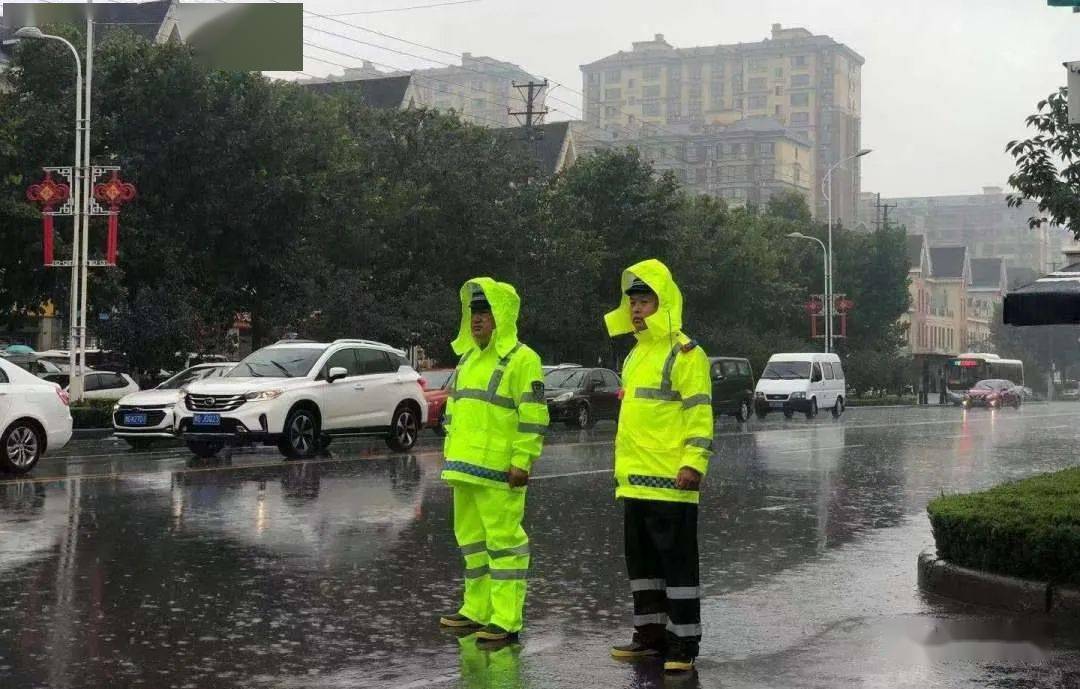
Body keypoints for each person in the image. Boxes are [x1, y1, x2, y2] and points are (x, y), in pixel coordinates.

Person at [605, 259, 713, 673]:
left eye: (644, 301)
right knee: (644, 569)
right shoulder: (635, 355)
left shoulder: (686, 353)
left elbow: (699, 414)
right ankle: (649, 637)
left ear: (662, 303)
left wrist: (693, 463)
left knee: (677, 567)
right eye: (631, 302)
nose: (635, 309)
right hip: (635, 483)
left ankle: (683, 644)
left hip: (672, 481)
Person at [438, 278, 549, 643]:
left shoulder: (523, 359)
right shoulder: (468, 358)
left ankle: (505, 619)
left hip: (501, 473)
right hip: (465, 469)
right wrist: (450, 454)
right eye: (473, 312)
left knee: (504, 545)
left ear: (502, 315)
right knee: (470, 543)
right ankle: (476, 610)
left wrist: (523, 460)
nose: (477, 320)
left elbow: (533, 417)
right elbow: (455, 410)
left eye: (484, 312)